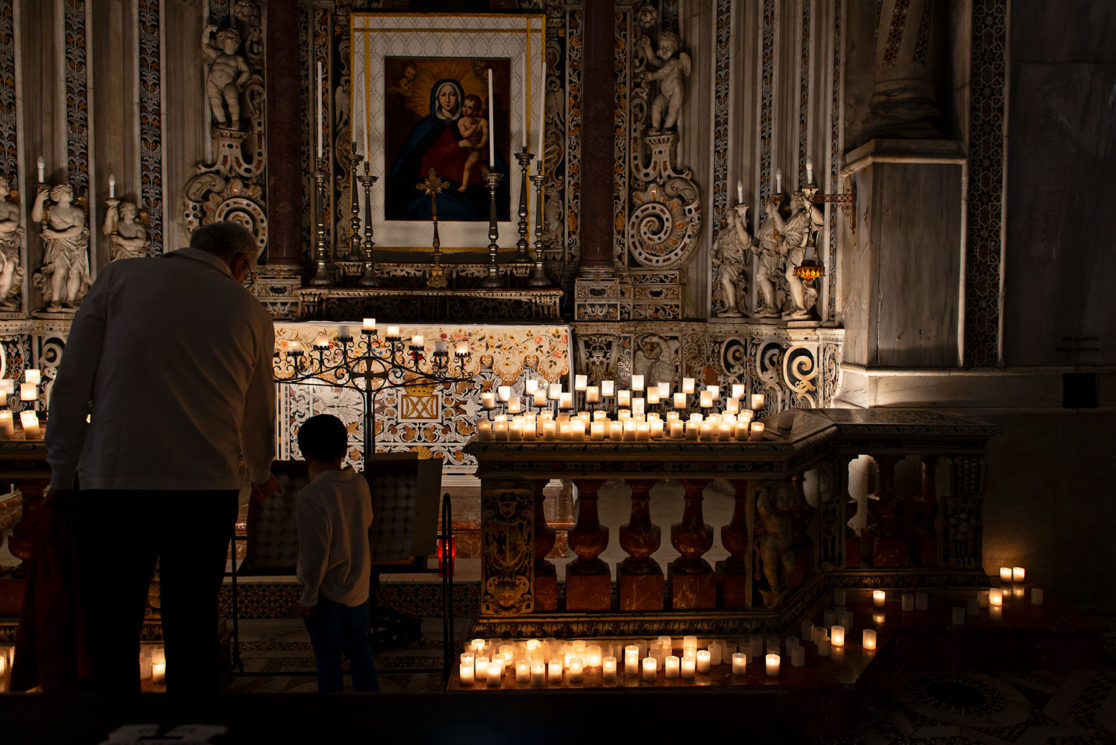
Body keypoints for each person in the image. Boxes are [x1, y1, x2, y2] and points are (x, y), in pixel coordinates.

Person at [45, 221, 278, 693]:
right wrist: (260, 470)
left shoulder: (120, 278)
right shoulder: (249, 309)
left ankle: (113, 729)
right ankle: (191, 728)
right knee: (192, 626)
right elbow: (259, 410)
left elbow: (72, 382)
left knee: (111, 624)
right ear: (238, 264)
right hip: (203, 488)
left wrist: (60, 469)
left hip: (115, 480)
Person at [295, 414, 377, 693]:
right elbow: (365, 525)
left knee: (328, 660)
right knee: (360, 651)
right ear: (344, 451)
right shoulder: (360, 485)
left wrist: (308, 594)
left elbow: (315, 553)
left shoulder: (312, 496)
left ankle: (331, 720)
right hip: (358, 589)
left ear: (305, 456)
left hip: (326, 595)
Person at [385, 77, 508, 221]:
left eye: (452, 94)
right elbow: (425, 159)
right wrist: (460, 145)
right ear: (436, 98)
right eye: (443, 94)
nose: (448, 99)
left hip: (466, 188)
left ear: (459, 98)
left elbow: (486, 155)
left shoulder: (467, 123)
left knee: (475, 210)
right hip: (435, 186)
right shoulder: (426, 127)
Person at [31, 183, 90, 310]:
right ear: (57, 194)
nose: (70, 192)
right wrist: (39, 199)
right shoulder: (51, 210)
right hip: (59, 245)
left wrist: (57, 234)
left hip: (76, 245)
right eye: (66, 190)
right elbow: (36, 218)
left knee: (75, 272)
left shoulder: (76, 211)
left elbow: (78, 228)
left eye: (70, 190)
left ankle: (71, 299)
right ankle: (55, 299)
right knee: (60, 270)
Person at [202, 25, 251, 128]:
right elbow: (205, 46)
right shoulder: (218, 54)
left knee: (232, 100)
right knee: (215, 102)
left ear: (236, 43)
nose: (229, 40)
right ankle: (222, 121)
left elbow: (246, 71)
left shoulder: (237, 59)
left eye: (232, 38)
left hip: (228, 83)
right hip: (213, 81)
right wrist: (207, 31)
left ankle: (235, 123)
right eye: (227, 38)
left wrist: (238, 83)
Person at [456, 93, 489, 192]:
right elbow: (464, 135)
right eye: (464, 106)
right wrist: (471, 129)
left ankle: (464, 186)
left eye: (469, 108)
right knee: (480, 165)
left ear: (476, 110)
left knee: (468, 165)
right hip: (468, 148)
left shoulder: (482, 121)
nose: (465, 109)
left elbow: (485, 135)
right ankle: (491, 181)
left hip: (477, 148)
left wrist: (481, 145)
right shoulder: (461, 121)